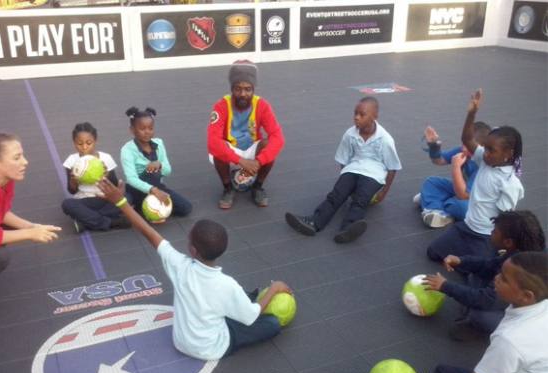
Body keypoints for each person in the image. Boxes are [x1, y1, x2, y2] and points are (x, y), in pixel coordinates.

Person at [96, 177, 292, 360]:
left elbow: (148, 232)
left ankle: (247, 299)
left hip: (181, 342)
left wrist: (120, 202)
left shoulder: (179, 265)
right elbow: (251, 317)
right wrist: (275, 288)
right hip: (213, 347)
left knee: (235, 305)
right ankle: (250, 299)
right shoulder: (227, 285)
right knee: (271, 324)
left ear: (192, 250)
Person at [403, 252, 548, 373]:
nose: (496, 278)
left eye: (504, 279)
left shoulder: (511, 339)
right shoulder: (540, 303)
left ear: (527, 296)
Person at [285, 96, 401, 244]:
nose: (356, 118)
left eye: (362, 114)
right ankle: (314, 222)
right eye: (355, 113)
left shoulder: (385, 139)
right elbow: (343, 159)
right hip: (353, 168)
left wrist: (383, 192)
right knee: (336, 195)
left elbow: (392, 168)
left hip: (374, 174)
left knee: (360, 200)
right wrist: (346, 182)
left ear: (375, 116)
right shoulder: (350, 134)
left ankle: (348, 228)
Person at [0, 133, 61, 316]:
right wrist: (30, 234)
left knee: (7, 235)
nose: (25, 162)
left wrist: (30, 226)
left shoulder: (3, 179)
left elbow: (0, 214)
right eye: (17, 157)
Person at [427, 89, 524, 261]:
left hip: (485, 236)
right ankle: (466, 252)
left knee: (474, 274)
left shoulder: (510, 183)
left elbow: (505, 219)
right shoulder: (485, 160)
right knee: (433, 252)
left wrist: (500, 244)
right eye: (485, 148)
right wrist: (472, 113)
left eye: (491, 150)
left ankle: (490, 255)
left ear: (508, 153)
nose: (485, 153)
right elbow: (466, 139)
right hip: (466, 227)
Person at [423, 210, 545, 341]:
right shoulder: (521, 252)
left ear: (508, 242)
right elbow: (490, 265)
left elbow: (486, 299)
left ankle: (494, 329)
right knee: (476, 277)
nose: (491, 233)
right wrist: (461, 261)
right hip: (519, 296)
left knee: (481, 316)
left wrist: (445, 286)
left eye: (495, 231)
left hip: (533, 317)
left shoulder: (523, 268)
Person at [207, 60, 285, 209]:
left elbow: (278, 137)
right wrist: (240, 161)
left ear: (253, 88)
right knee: (218, 148)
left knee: (269, 145)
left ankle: (258, 187)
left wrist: (259, 161)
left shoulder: (262, 105)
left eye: (248, 89)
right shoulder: (221, 106)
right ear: (231, 88)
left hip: (251, 149)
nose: (243, 94)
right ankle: (228, 188)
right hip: (232, 150)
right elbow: (212, 141)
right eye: (238, 89)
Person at [120, 107, 192, 220]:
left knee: (186, 208)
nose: (147, 132)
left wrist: (160, 165)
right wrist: (154, 191)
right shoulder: (127, 149)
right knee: (151, 174)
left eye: (150, 128)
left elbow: (168, 171)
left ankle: (141, 207)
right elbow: (131, 179)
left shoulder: (159, 143)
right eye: (142, 129)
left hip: (157, 185)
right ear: (132, 130)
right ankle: (138, 203)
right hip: (137, 189)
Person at [416, 122, 491, 228]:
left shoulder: (483, 166)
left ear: (481, 148)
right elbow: (439, 160)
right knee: (431, 182)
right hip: (462, 190)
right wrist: (434, 145)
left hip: (476, 199)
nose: (464, 148)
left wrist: (456, 167)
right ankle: (435, 211)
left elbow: (463, 195)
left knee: (460, 207)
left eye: (468, 146)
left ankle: (434, 203)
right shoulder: (463, 151)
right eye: (463, 144)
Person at [61, 122, 129, 233]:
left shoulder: (106, 158)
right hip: (84, 200)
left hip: (105, 199)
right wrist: (74, 181)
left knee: (128, 196)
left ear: (95, 141)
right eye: (79, 144)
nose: (84, 147)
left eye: (89, 143)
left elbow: (115, 186)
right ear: (74, 143)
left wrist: (106, 177)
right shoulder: (71, 161)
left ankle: (86, 222)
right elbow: (71, 191)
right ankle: (113, 222)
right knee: (67, 204)